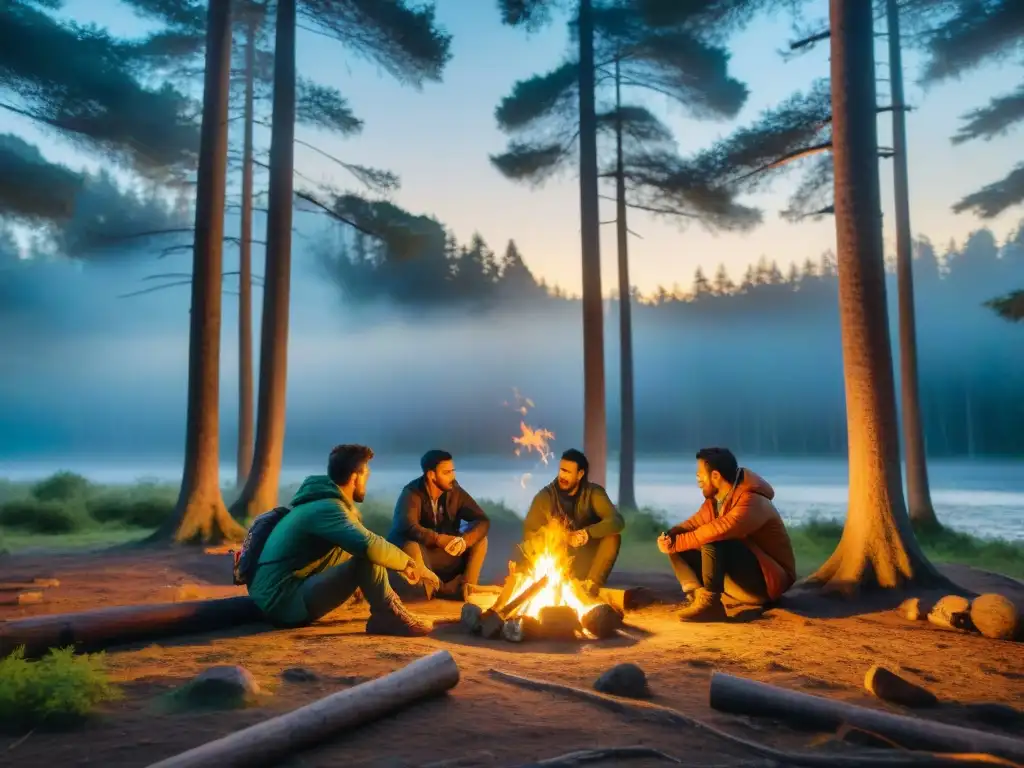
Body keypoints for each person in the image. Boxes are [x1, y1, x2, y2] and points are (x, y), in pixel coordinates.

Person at [247, 444, 439, 636]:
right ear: (355, 476)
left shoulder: (321, 504)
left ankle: (386, 606)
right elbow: (368, 545)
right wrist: (409, 564)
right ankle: (388, 615)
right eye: (367, 476)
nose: (367, 481)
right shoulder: (328, 509)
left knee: (365, 549)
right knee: (368, 555)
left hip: (279, 596)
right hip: (284, 602)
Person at [658, 447, 797, 622]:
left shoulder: (752, 501)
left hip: (767, 584)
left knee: (713, 538)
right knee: (680, 542)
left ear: (715, 476)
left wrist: (676, 542)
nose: (697, 479)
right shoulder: (714, 501)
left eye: (700, 474)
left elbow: (721, 529)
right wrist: (670, 536)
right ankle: (698, 596)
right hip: (742, 580)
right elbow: (694, 524)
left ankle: (711, 604)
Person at [387, 450, 491, 600]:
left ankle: (466, 589)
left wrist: (464, 541)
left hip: (444, 555)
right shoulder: (411, 493)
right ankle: (434, 589)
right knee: (411, 546)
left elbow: (482, 520)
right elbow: (407, 526)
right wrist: (438, 539)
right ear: (431, 475)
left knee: (480, 539)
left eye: (452, 471)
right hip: (421, 556)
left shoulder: (454, 491)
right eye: (446, 472)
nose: (452, 476)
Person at [519, 448, 625, 593]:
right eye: (562, 470)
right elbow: (529, 533)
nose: (562, 475)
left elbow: (617, 521)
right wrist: (561, 537)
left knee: (613, 538)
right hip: (559, 559)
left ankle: (590, 587)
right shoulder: (545, 497)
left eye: (568, 472)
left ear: (580, 474)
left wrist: (586, 534)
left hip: (588, 558)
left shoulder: (593, 493)